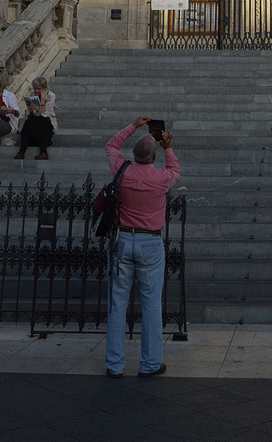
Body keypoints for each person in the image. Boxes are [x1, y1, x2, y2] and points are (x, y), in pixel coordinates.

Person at [104, 115, 180, 379]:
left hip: (122, 240)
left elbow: (111, 146)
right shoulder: (161, 178)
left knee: (117, 304)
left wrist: (134, 126)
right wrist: (168, 147)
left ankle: (114, 364)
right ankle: (150, 363)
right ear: (154, 157)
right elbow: (176, 171)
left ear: (134, 155)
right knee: (151, 304)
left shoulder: (122, 170)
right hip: (150, 242)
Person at [15, 76, 57, 160]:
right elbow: (30, 114)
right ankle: (22, 151)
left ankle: (44, 152)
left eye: (39, 89)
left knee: (42, 121)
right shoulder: (30, 95)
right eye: (35, 88)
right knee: (30, 121)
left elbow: (44, 114)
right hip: (34, 125)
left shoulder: (51, 96)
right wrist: (31, 111)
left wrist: (42, 101)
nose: (36, 91)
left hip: (46, 124)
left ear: (44, 89)